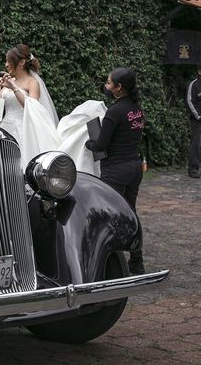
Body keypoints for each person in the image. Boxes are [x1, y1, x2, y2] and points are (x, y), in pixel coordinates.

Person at [85, 68, 146, 274]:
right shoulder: (136, 108)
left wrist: (88, 143)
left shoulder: (115, 111)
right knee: (131, 211)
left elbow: (101, 144)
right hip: (134, 167)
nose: (107, 86)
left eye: (109, 83)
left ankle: (108, 262)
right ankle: (137, 261)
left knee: (109, 216)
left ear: (119, 88)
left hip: (115, 171)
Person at [0, 44, 59, 165]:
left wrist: (13, 88)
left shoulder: (32, 83)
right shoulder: (9, 81)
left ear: (21, 62)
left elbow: (32, 107)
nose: (6, 64)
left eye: (9, 61)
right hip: (5, 129)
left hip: (24, 130)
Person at [185, 65, 201, 178]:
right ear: (199, 71)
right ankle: (193, 169)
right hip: (198, 120)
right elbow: (190, 102)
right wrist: (198, 116)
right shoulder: (194, 85)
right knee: (196, 144)